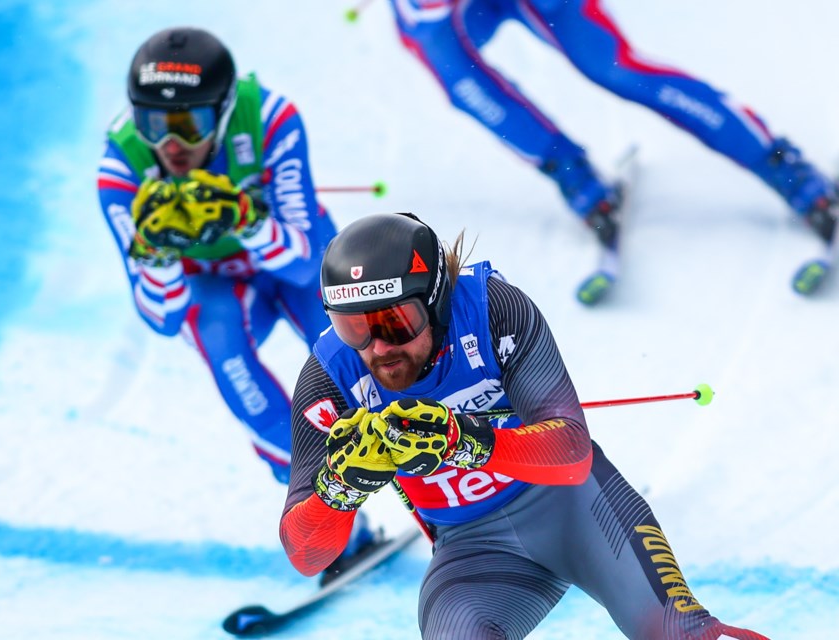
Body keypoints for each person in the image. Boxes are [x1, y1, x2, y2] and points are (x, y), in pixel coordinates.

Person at [279, 212, 769, 639]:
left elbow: (573, 453)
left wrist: (463, 440)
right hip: (475, 552)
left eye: (395, 322)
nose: (378, 347)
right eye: (355, 328)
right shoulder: (329, 376)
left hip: (580, 511)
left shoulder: (494, 310)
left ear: (435, 302)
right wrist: (339, 489)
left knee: (680, 635)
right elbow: (306, 557)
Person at [96, 27, 375, 565]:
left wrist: (244, 220)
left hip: (291, 264)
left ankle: (449, 481)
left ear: (223, 112)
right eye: (152, 123)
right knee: (227, 356)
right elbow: (161, 316)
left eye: (188, 124)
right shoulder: (121, 168)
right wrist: (154, 255)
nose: (170, 145)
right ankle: (335, 518)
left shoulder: (270, 119)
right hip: (215, 284)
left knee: (360, 352)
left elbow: (303, 260)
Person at [383, 0, 836, 257]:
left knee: (614, 69)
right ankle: (569, 170)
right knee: (466, 87)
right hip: (447, 16)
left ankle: (777, 161)